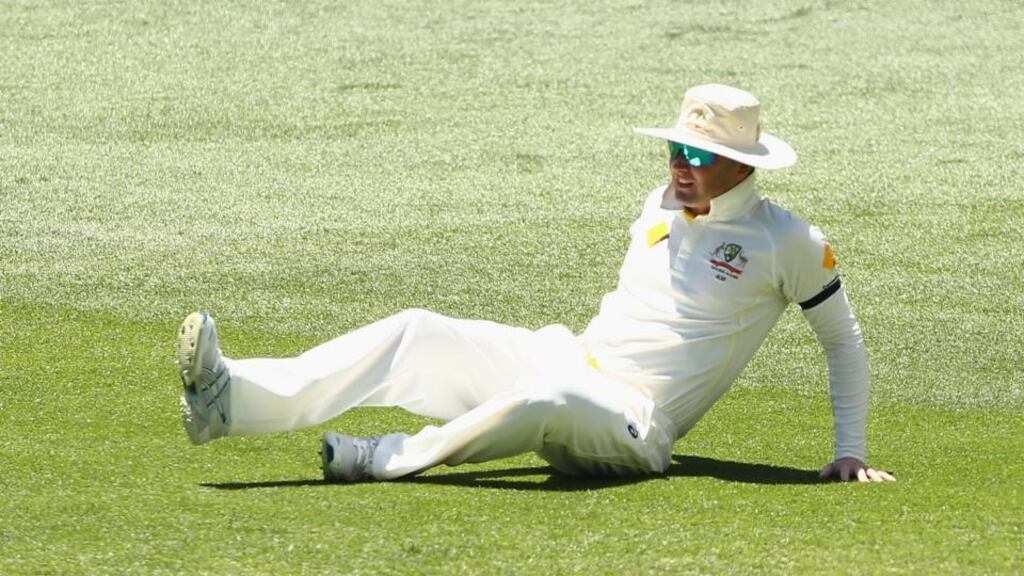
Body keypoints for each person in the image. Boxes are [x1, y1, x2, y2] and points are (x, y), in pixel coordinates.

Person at [176, 83, 895, 484]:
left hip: (636, 421)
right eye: (676, 147)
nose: (679, 164)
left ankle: (383, 457)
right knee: (419, 330)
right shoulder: (658, 202)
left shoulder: (790, 242)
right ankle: (229, 400)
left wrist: (850, 449)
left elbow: (843, 342)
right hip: (568, 356)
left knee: (549, 397)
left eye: (697, 154)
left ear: (743, 165)